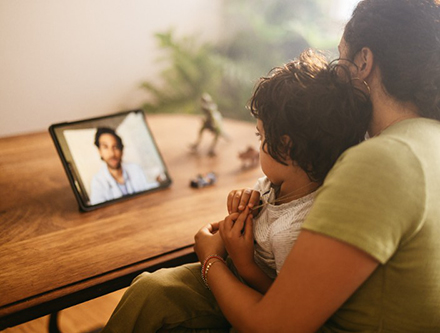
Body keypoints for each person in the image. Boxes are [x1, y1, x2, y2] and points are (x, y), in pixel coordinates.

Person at [193, 0, 440, 332]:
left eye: (341, 58)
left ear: (364, 60)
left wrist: (210, 261)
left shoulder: (383, 160)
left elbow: (272, 326)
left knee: (158, 295)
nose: (333, 78)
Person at [101, 49, 372, 332]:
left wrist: (239, 263)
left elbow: (281, 305)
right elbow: (264, 199)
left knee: (151, 294)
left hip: (246, 289)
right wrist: (242, 204)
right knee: (148, 287)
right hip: (231, 269)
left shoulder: (293, 231)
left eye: (260, 136)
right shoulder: (282, 182)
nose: (258, 144)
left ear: (285, 147)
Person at [90, 127, 158, 205]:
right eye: (105, 147)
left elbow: (152, 191)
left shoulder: (135, 169)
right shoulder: (97, 181)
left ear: (121, 150)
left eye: (115, 147)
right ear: (100, 151)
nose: (112, 154)